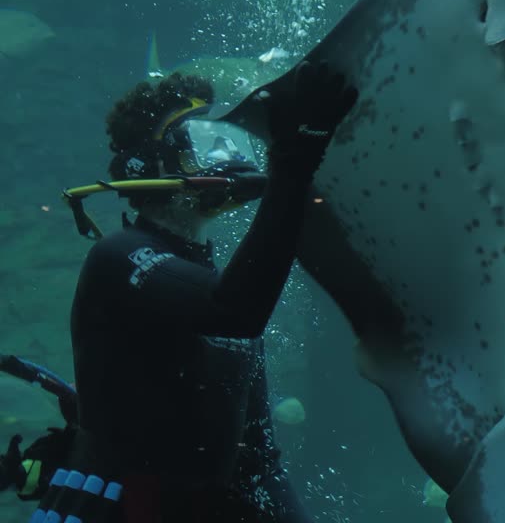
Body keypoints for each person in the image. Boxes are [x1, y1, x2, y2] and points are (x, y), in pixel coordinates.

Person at [5, 61, 356, 522]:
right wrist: (296, 156)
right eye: (200, 139)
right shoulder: (118, 257)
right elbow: (234, 311)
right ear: (150, 165)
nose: (224, 150)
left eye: (225, 134)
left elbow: (257, 460)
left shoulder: (207, 276)